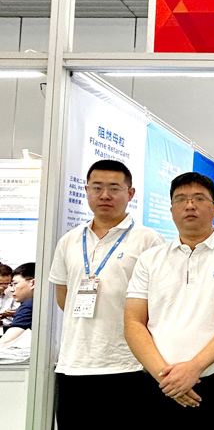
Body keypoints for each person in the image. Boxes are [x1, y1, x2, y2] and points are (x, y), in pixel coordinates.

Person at [124, 172, 214, 426]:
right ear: (171, 209)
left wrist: (194, 368)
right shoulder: (150, 259)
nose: (189, 205)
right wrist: (167, 378)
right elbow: (133, 322)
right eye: (181, 199)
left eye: (198, 198)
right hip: (159, 381)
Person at [48, 160, 165, 429]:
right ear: (86, 190)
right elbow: (63, 296)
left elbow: (159, 304)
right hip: (73, 365)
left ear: (130, 193)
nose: (105, 195)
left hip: (128, 366)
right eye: (97, 187)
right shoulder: (69, 240)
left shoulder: (148, 240)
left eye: (114, 188)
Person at [0, 263, 34, 345]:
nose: (11, 289)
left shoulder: (28, 305)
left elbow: (5, 342)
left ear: (32, 283)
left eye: (14, 283)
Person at [0, 263, 18, 331]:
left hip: (7, 328)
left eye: (7, 283)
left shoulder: (12, 292)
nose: (3, 287)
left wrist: (9, 314)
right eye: (0, 283)